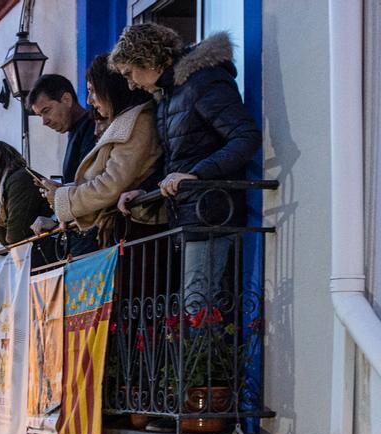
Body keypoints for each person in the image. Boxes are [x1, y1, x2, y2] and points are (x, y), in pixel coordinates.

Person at [110, 25, 262, 310]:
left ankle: (206, 357)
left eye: (130, 73)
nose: (131, 84)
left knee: (198, 305)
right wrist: (141, 190)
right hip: (190, 213)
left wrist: (197, 175)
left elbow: (246, 137)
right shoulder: (170, 96)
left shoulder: (202, 84)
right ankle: (206, 355)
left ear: (150, 59)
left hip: (212, 211)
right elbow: (178, 160)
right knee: (197, 304)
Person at [35, 54, 159, 253]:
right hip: (119, 233)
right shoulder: (123, 123)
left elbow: (111, 184)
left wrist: (62, 197)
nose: (89, 100)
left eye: (93, 91)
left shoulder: (138, 121)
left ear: (109, 87)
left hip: (133, 233)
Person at [0, 141, 53, 248]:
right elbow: (5, 241)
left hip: (51, 249)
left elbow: (14, 236)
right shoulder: (9, 183)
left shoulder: (20, 180)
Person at [28, 74, 98, 183]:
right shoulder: (76, 130)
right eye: (40, 115)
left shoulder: (94, 126)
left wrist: (60, 193)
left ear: (67, 99)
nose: (44, 121)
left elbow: (92, 184)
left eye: (46, 111)